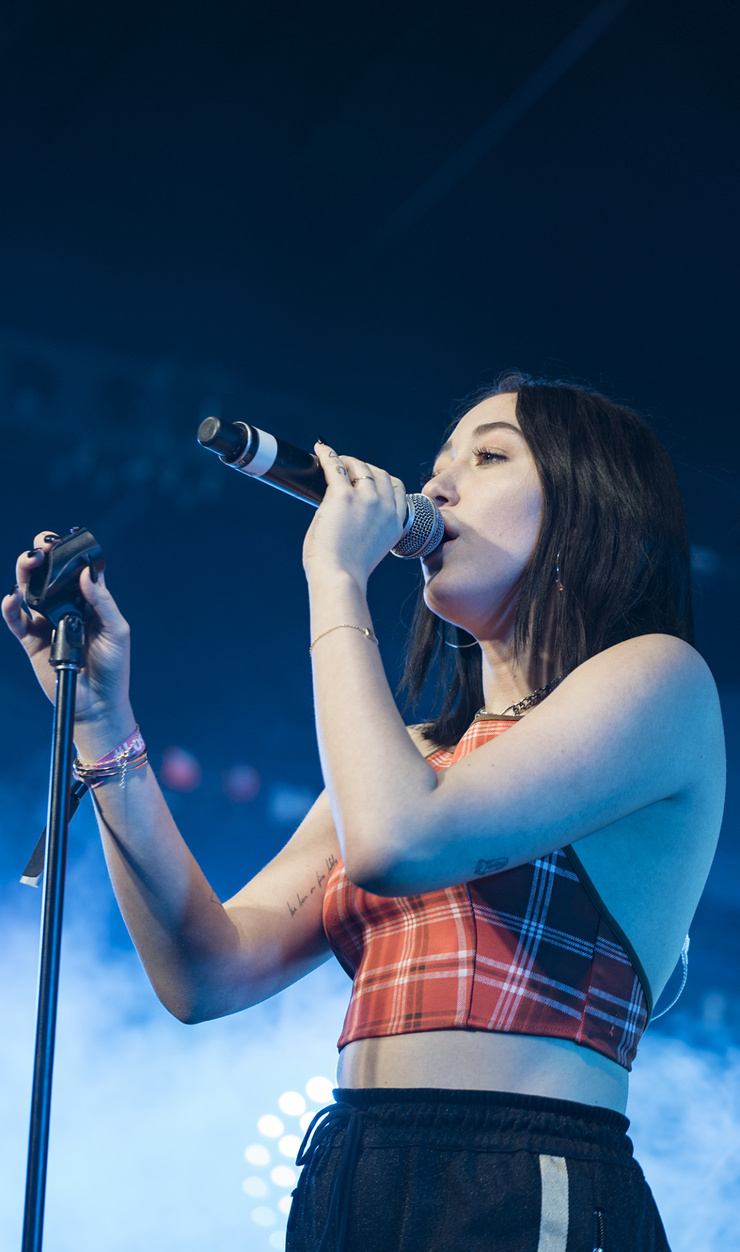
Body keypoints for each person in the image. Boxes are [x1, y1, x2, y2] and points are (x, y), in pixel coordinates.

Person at [3, 373, 725, 1251]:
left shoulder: (661, 681)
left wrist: (337, 575)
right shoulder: (413, 758)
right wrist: (100, 723)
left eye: (489, 457)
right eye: (439, 462)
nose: (437, 486)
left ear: (590, 509)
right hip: (352, 1171)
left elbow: (396, 843)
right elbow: (207, 972)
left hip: (523, 1174)